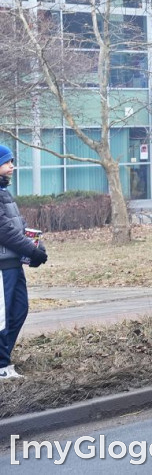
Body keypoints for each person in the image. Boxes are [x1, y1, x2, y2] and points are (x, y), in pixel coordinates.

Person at [0, 144, 48, 380]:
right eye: (7, 162)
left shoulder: (4, 192)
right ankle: (1, 365)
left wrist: (35, 246)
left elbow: (16, 226)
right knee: (3, 315)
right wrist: (31, 250)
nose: (12, 166)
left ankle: (3, 358)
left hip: (13, 263)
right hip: (2, 267)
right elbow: (5, 231)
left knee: (19, 310)